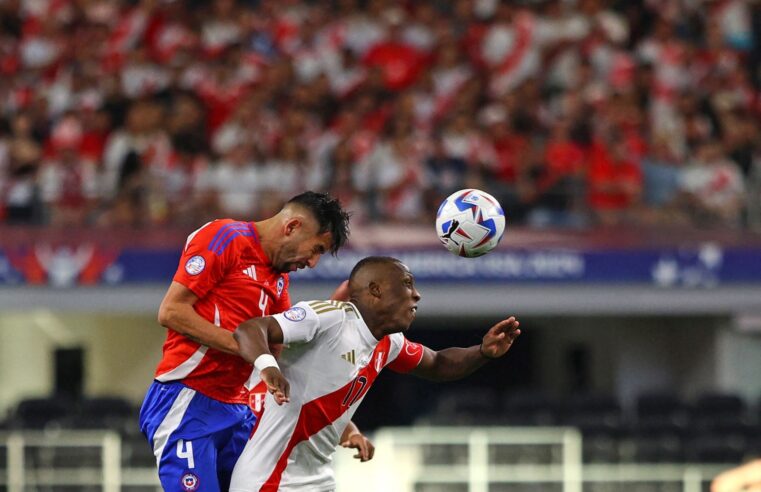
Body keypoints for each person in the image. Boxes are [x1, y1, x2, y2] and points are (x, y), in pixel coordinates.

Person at [139, 191, 371, 491]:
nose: (313, 263)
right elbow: (171, 311)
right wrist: (252, 351)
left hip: (238, 409)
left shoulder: (278, 278)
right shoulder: (224, 237)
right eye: (315, 249)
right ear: (291, 227)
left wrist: (345, 426)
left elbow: (282, 354)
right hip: (186, 399)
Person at [229, 256, 522, 491]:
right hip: (270, 479)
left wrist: (482, 351)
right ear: (375, 290)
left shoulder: (389, 342)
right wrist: (268, 366)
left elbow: (438, 364)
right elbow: (251, 329)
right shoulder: (329, 318)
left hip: (317, 478)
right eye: (407, 284)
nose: (416, 295)